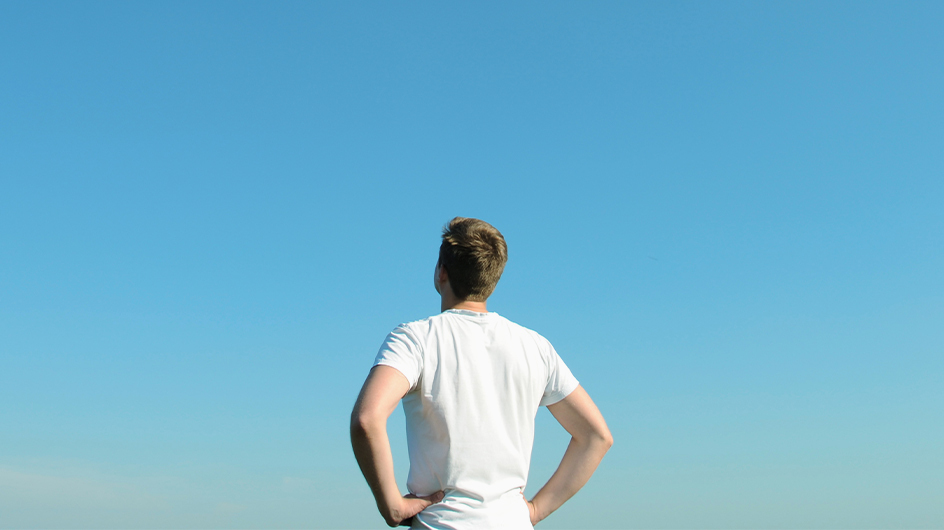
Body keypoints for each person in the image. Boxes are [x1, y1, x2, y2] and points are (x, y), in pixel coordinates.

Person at [351, 217, 613, 529]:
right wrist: (535, 511)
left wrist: (391, 504)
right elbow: (596, 436)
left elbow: (367, 419)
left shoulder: (415, 339)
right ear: (493, 277)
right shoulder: (535, 347)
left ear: (441, 272)